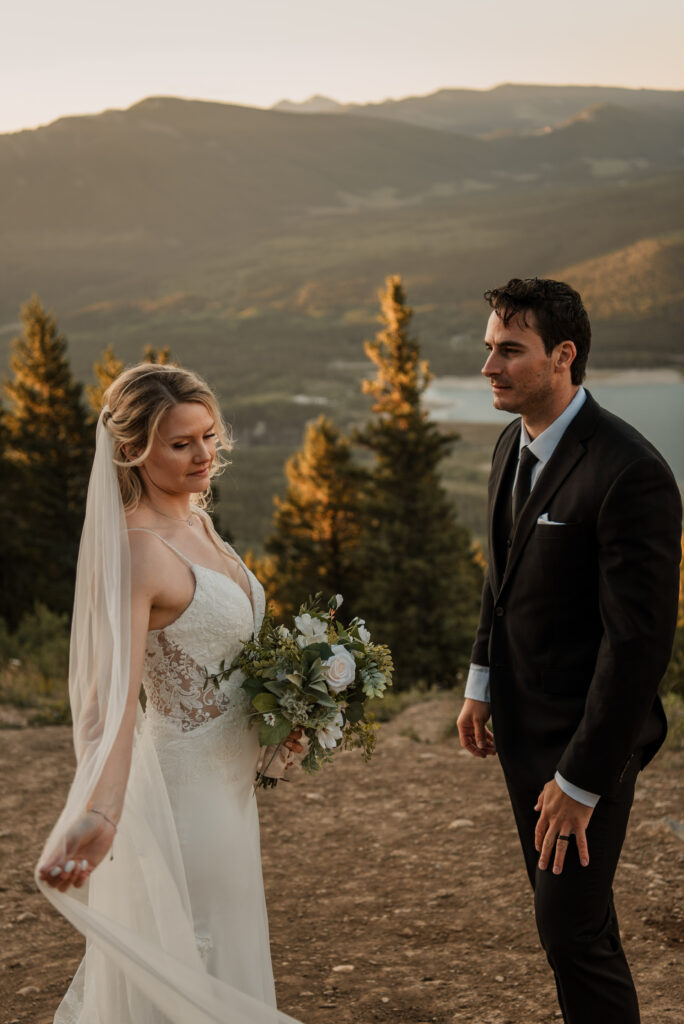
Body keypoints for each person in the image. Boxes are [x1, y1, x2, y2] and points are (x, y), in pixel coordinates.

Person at [36, 364, 304, 1024]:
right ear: (132, 450)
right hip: (186, 803)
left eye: (209, 436)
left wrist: (281, 719)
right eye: (181, 444)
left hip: (231, 791)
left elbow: (221, 663)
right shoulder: (137, 548)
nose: (204, 454)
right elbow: (109, 699)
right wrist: (100, 811)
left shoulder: (203, 524)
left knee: (222, 959)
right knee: (196, 967)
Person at [457, 278, 681, 1024]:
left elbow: (639, 646)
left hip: (590, 746)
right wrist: (480, 680)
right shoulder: (508, 444)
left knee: (571, 931)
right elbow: (503, 576)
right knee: (576, 924)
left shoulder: (631, 472)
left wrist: (581, 781)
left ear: (563, 356)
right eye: (489, 349)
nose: (489, 366)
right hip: (522, 734)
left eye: (508, 352)